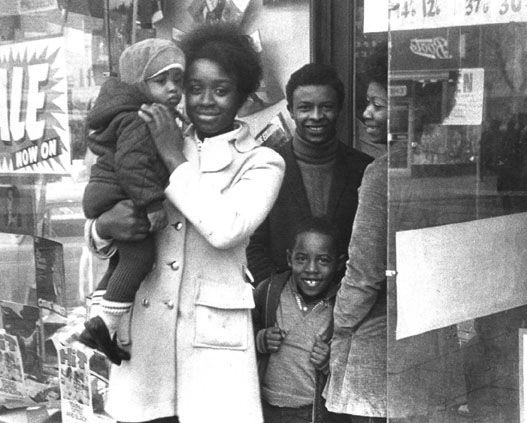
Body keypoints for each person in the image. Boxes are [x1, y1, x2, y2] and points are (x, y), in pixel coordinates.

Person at [83, 23, 285, 423]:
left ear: (243, 95)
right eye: (194, 87)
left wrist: (174, 158)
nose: (205, 100)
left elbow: (226, 229)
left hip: (214, 346)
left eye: (221, 89)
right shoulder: (152, 133)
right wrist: (104, 226)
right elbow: (102, 218)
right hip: (146, 340)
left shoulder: (262, 161)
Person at [326, 43, 445, 423]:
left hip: (379, 343)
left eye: (379, 104)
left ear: (412, 107)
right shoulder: (447, 166)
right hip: (430, 336)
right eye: (367, 103)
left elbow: (363, 275)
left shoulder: (381, 176)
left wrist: (336, 326)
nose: (366, 114)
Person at [78, 38, 186, 364]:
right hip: (119, 195)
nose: (173, 89)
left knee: (119, 263)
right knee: (139, 259)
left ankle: (99, 328)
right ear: (140, 83)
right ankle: (106, 325)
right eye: (161, 80)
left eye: (178, 80)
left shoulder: (134, 115)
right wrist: (153, 204)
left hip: (108, 192)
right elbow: (132, 164)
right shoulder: (140, 119)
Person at [247, 63, 372, 284]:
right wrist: (280, 301)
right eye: (305, 107)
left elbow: (370, 249)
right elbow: (253, 246)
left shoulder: (364, 170)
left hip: (346, 306)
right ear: (291, 111)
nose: (316, 116)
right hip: (280, 305)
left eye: (326, 107)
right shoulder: (264, 167)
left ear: (339, 109)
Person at [253, 216, 346, 423]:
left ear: (339, 263)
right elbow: (242, 332)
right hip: (266, 408)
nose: (311, 268)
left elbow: (353, 357)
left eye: (323, 260)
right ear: (289, 258)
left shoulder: (342, 305)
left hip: (312, 413)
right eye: (302, 258)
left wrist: (330, 361)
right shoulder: (269, 291)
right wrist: (261, 340)